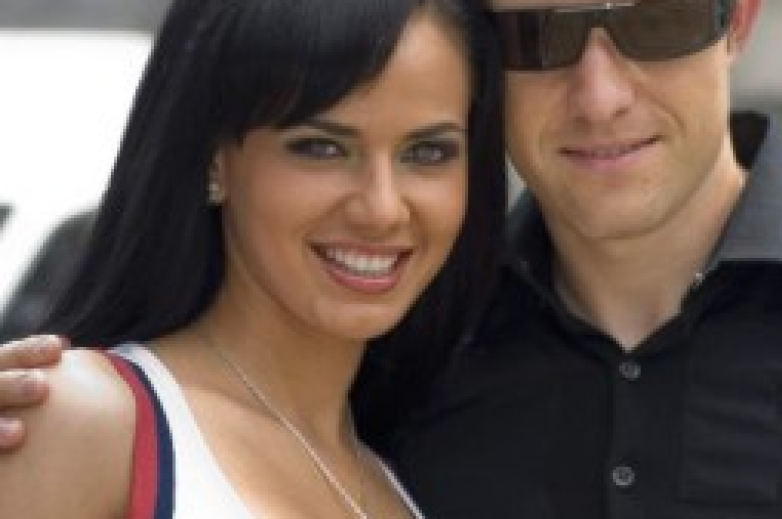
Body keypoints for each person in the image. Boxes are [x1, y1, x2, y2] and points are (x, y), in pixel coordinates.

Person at [4, 0, 782, 517]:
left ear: (740, 18)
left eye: (655, 19)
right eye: (539, 36)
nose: (601, 96)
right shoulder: (406, 372)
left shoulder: (369, 446)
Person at [0, 0, 507, 517]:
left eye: (427, 153)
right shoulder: (82, 418)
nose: (382, 210)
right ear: (213, 159)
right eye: (321, 148)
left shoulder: (397, 479)